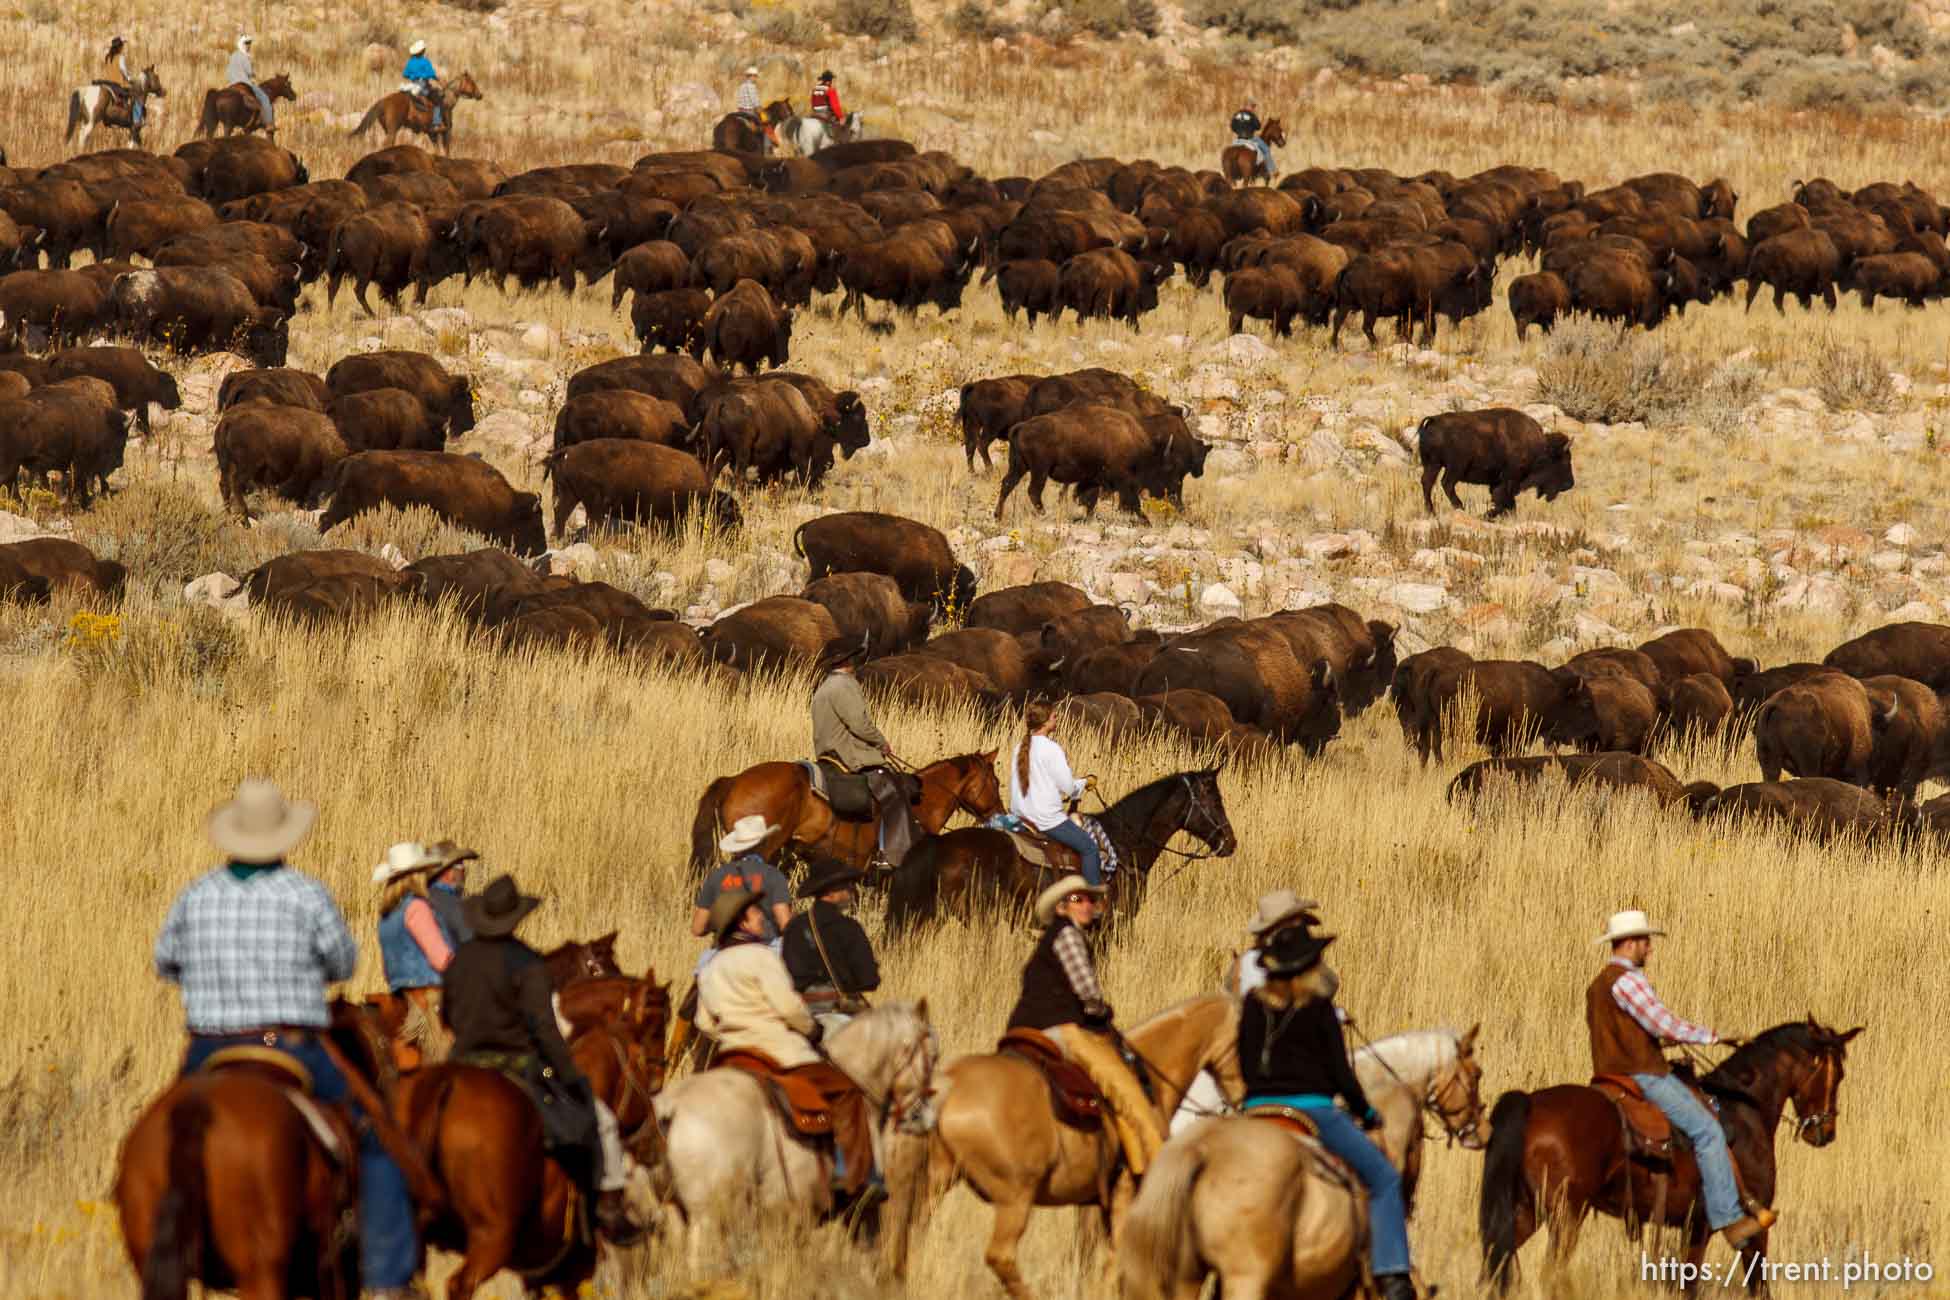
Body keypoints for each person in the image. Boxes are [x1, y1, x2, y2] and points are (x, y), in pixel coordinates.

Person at [154, 778, 421, 1300]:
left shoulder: (198, 894)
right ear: (283, 838)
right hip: (292, 1045)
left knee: (163, 1129)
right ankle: (388, 1279)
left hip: (210, 1047)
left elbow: (166, 961)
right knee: (373, 1137)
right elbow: (344, 961)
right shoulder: (304, 893)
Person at [443, 873, 646, 1243]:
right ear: (516, 919)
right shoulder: (526, 962)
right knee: (599, 1119)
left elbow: (446, 1017)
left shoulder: (460, 960)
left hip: (462, 1062)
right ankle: (609, 1206)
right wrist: (567, 1073)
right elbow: (545, 1032)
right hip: (518, 1064)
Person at [1238, 924, 1414, 1300]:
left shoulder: (1253, 1004)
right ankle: (1393, 1276)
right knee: (1384, 1178)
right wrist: (1366, 1113)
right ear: (1306, 967)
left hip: (1255, 1111)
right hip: (1312, 1111)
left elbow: (1245, 1065)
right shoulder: (1318, 1009)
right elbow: (1340, 1075)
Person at [1587, 909, 1775, 1248]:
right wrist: (1714, 1037)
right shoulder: (1629, 981)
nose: (1649, 948)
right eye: (1645, 941)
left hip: (1607, 1074)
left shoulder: (1598, 984)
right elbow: (1663, 1023)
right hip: (1643, 1075)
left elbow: (1633, 1029)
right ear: (1629, 943)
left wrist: (1663, 1038)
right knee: (1708, 1131)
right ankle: (1728, 1219)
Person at [698, 888, 878, 1198]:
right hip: (776, 1050)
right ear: (742, 922)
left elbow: (704, 1022)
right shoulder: (761, 957)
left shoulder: (711, 968)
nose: (762, 917)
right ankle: (853, 1177)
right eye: (755, 913)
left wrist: (732, 1033)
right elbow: (790, 1008)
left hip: (731, 1054)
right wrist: (811, 1031)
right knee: (848, 1092)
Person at [1005, 875, 1163, 1175]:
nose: (1088, 905)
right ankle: (1152, 1164)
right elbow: (1087, 991)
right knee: (1125, 1087)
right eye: (1079, 900)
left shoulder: (1054, 936)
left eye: (1091, 899)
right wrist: (1102, 1013)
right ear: (1062, 908)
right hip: (1059, 1027)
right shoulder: (1068, 935)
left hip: (1024, 1028)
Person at [811, 636, 923, 867]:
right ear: (849, 660)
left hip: (826, 755)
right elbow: (859, 724)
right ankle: (886, 852)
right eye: (853, 657)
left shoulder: (823, 688)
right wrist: (881, 742)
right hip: (848, 755)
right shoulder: (844, 685)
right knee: (893, 789)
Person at [373, 840, 475, 1066]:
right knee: (451, 1060)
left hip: (401, 993)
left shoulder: (387, 915)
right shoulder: (416, 907)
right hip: (428, 997)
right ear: (417, 874)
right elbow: (441, 958)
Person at [781, 859, 880, 1034]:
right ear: (831, 893)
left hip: (801, 1014)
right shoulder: (849, 927)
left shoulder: (795, 926)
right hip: (840, 1012)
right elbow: (869, 980)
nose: (851, 892)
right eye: (847, 887)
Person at [1009, 700, 1101, 886]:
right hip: (1045, 819)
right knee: (1090, 848)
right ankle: (1092, 899)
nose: (1057, 718)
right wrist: (1085, 782)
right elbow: (1068, 787)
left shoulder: (1019, 747)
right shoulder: (1052, 749)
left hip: (1019, 815)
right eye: (1054, 716)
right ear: (1045, 722)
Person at [692, 815, 794, 957]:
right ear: (763, 843)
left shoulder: (716, 876)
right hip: (765, 950)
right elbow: (785, 924)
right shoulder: (774, 876)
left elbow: (697, 928)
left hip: (725, 951)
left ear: (735, 847)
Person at [227, 35, 274, 136]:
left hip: (231, 83)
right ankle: (269, 124)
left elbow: (229, 71)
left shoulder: (233, 55)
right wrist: (255, 76)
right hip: (245, 82)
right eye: (246, 43)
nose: (248, 45)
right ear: (241, 44)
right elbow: (249, 72)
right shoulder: (246, 56)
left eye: (249, 43)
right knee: (264, 98)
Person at [101, 36, 143, 131]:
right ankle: (136, 120)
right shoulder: (121, 58)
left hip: (108, 85)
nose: (123, 47)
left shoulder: (107, 57)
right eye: (122, 45)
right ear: (119, 47)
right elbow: (124, 72)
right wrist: (132, 79)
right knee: (138, 95)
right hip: (119, 85)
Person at [400, 39, 443, 131]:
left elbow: (405, 74)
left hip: (412, 85)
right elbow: (431, 74)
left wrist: (413, 76)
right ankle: (437, 123)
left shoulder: (410, 62)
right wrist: (437, 79)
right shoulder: (425, 61)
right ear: (422, 51)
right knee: (438, 100)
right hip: (423, 86)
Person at [1231, 99, 1275, 179]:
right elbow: (1258, 127)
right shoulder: (1251, 115)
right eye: (1253, 106)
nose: (1253, 109)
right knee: (1266, 149)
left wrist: (1239, 131)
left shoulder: (1236, 114)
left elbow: (1232, 126)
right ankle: (1272, 170)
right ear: (1249, 106)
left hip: (1239, 138)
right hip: (1250, 138)